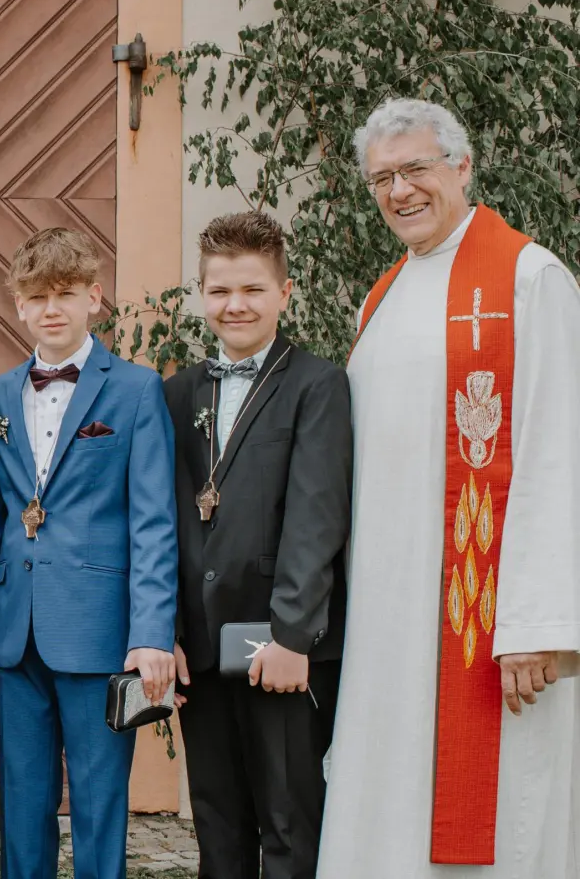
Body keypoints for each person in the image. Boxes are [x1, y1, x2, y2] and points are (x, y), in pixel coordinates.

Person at [317, 98, 580, 878]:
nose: (399, 191)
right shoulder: (382, 294)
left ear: (462, 167)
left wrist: (536, 621)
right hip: (388, 621)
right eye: (382, 179)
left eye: (416, 170)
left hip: (488, 624)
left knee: (498, 825)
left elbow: (558, 449)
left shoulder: (529, 277)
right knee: (388, 804)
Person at [0, 227, 178, 879]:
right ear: (19, 306)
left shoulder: (137, 390)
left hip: (106, 634)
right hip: (14, 631)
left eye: (64, 294)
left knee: (100, 800)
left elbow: (155, 522)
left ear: (94, 297)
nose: (51, 308)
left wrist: (153, 635)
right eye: (36, 296)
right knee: (22, 802)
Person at [163, 212, 352, 879]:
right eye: (219, 291)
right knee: (217, 822)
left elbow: (317, 516)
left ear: (285, 293)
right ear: (202, 294)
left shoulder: (317, 386)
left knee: (288, 821)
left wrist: (293, 635)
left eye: (251, 289)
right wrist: (169, 631)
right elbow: (166, 519)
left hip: (277, 643)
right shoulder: (180, 392)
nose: (234, 305)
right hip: (206, 644)